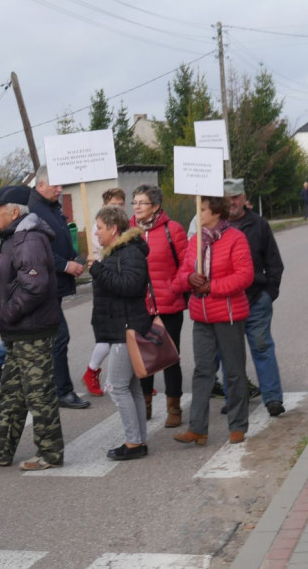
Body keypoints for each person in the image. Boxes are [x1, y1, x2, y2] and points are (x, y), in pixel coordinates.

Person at [0, 186, 65, 471]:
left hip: (32, 330)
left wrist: (7, 313)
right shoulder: (15, 238)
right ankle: (0, 449)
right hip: (20, 331)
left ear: (14, 211)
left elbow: (35, 286)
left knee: (39, 394)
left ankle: (50, 454)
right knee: (12, 394)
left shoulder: (27, 239)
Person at [172, 195, 254, 446]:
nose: (199, 213)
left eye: (203, 209)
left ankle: (238, 425)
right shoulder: (196, 240)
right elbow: (179, 277)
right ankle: (198, 428)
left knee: (234, 371)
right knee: (202, 371)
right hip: (201, 316)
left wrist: (211, 287)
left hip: (228, 315)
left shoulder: (236, 238)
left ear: (217, 212)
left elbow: (245, 276)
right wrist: (189, 281)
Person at [87, 205, 151, 460]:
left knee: (116, 386)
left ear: (114, 229)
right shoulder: (117, 252)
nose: (96, 233)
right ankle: (139, 440)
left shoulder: (130, 252)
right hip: (120, 327)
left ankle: (133, 442)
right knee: (131, 387)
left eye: (100, 228)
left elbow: (131, 286)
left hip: (127, 328)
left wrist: (98, 270)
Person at [28, 165, 90, 410]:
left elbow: (62, 236)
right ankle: (61, 391)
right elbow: (38, 250)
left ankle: (50, 387)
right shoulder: (34, 210)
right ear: (40, 185)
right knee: (58, 337)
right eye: (54, 185)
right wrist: (65, 266)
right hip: (45, 285)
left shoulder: (50, 207)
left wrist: (75, 257)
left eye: (60, 184)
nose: (59, 189)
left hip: (55, 284)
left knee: (51, 339)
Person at [223, 179, 286, 417]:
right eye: (228, 198)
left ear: (243, 197)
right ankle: (234, 399)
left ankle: (273, 399)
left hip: (256, 299)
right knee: (230, 352)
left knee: (262, 347)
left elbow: (274, 263)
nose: (232, 202)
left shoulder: (259, 225)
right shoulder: (215, 226)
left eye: (236, 197)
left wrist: (269, 295)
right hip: (227, 301)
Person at [128, 184, 189, 426]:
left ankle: (174, 409)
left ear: (155, 206)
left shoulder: (172, 230)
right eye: (134, 202)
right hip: (140, 306)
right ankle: (146, 405)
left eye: (142, 202)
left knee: (170, 358)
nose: (137, 207)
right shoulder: (129, 232)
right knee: (144, 358)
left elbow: (187, 263)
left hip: (169, 304)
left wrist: (174, 286)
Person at [80, 187, 127, 398]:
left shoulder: (125, 225)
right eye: (114, 205)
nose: (118, 208)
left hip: (119, 282)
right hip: (105, 283)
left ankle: (137, 376)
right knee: (109, 335)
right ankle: (91, 371)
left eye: (121, 204)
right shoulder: (99, 230)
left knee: (127, 335)